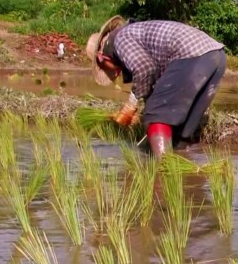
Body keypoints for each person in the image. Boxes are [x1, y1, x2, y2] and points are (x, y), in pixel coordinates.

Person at [85, 16, 227, 158]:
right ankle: (181, 165)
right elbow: (157, 81)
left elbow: (145, 69)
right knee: (181, 130)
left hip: (192, 55)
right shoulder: (134, 33)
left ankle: (163, 168)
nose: (115, 72)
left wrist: (131, 105)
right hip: (216, 56)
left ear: (101, 57)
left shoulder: (120, 39)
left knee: (156, 115)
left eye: (105, 68)